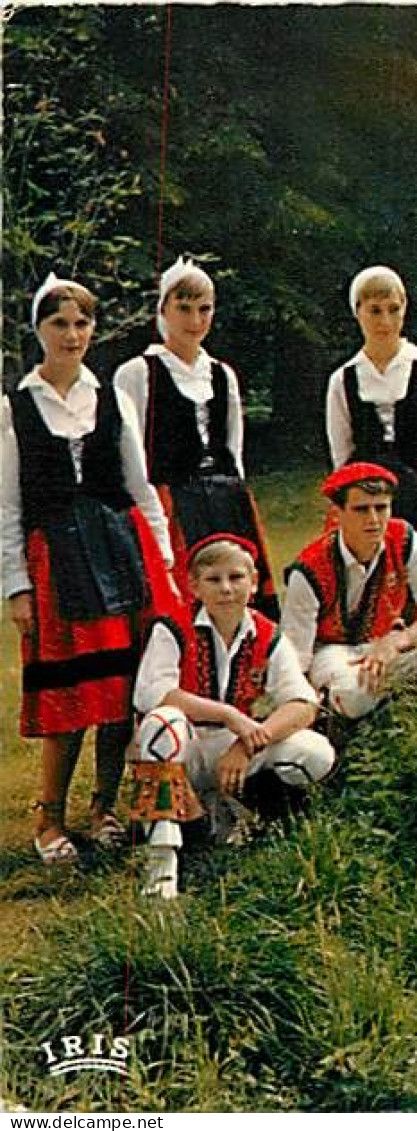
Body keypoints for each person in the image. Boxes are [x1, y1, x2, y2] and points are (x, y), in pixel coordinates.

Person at [1, 274, 180, 865]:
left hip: (119, 550)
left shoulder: (113, 399)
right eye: (59, 324)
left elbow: (140, 487)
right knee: (70, 695)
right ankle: (48, 820)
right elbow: (7, 508)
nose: (72, 335)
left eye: (81, 323)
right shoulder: (16, 409)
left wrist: (164, 564)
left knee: (122, 690)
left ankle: (103, 807)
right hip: (57, 561)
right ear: (39, 330)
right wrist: (16, 586)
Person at [128, 534, 335, 898]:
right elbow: (152, 693)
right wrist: (227, 714)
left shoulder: (267, 634)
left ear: (254, 583)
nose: (226, 589)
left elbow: (302, 702)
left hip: (232, 750)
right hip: (186, 745)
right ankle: (161, 869)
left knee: (315, 753)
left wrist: (248, 743)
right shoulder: (173, 626)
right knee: (162, 723)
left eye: (236, 578)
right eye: (214, 580)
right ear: (194, 586)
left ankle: (262, 828)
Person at [114, 256, 281, 618]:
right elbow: (131, 457)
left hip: (226, 502)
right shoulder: (139, 373)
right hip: (172, 505)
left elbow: (233, 451)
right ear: (163, 310)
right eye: (184, 308)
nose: (194, 321)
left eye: (204, 309)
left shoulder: (223, 375)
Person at [326, 266, 417, 629]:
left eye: (393, 309)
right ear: (357, 312)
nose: (385, 321)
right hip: (366, 502)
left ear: (404, 308)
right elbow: (341, 454)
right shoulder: (344, 379)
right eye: (374, 310)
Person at [280, 462, 417, 720]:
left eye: (381, 508)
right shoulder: (309, 569)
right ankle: (369, 719)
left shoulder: (403, 538)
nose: (374, 520)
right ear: (338, 513)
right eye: (361, 510)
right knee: (354, 697)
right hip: (335, 654)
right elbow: (297, 656)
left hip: (388, 645)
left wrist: (396, 642)